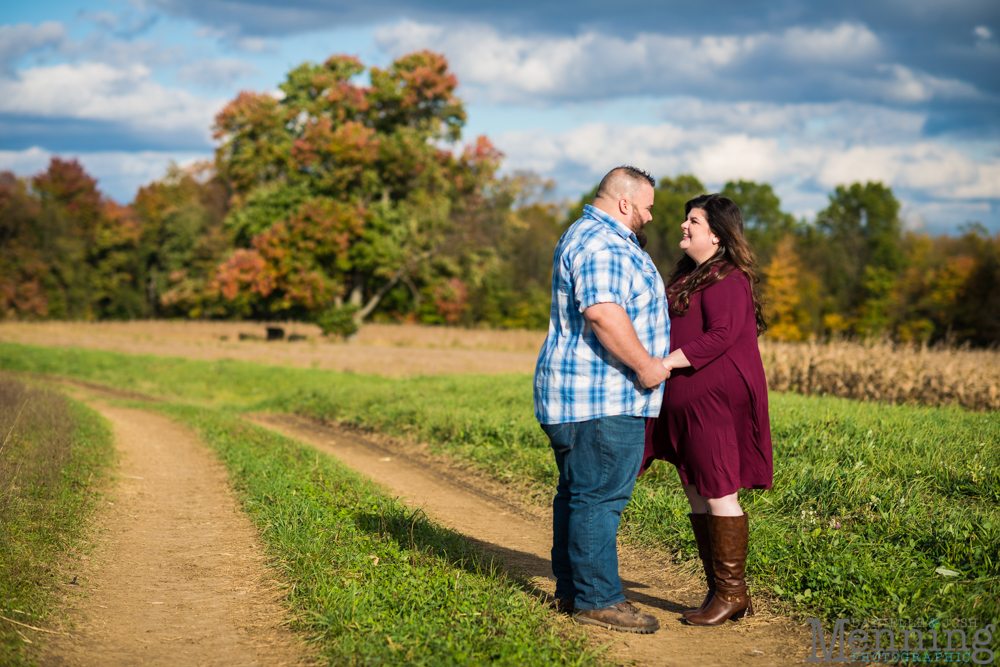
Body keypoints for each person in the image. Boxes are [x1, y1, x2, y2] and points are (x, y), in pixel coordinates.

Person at [534, 165, 670, 634]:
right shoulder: (603, 242)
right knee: (599, 498)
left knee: (577, 495)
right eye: (648, 207)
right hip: (602, 396)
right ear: (626, 203)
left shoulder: (588, 234)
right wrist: (646, 365)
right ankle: (597, 599)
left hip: (579, 396)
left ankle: (573, 591)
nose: (651, 217)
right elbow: (604, 313)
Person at [642, 193, 772, 626]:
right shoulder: (690, 276)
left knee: (718, 491)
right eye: (686, 219)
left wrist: (666, 364)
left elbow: (722, 334)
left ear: (717, 234)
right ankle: (718, 590)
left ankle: (734, 593)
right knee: (698, 490)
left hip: (713, 403)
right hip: (686, 403)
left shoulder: (728, 278)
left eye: (693, 220)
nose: (684, 225)